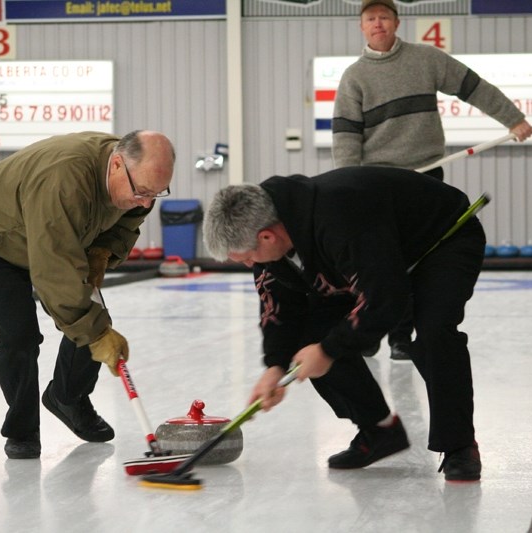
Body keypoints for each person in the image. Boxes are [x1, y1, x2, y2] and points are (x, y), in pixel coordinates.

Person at [203, 166, 486, 481]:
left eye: (245, 258)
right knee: (308, 338)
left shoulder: (340, 215)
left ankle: (460, 445)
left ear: (267, 236)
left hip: (442, 239)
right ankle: (378, 430)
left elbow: (385, 300)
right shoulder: (268, 236)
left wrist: (327, 350)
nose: (249, 265)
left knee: (434, 330)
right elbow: (280, 310)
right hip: (378, 256)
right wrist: (276, 366)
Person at [0, 130, 175, 459]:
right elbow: (53, 271)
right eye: (142, 192)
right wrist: (91, 330)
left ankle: (67, 397)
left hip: (45, 236)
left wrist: (102, 251)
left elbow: (127, 221)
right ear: (118, 165)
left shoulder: (136, 183)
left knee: (96, 322)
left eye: (157, 193)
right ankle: (22, 430)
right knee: (20, 334)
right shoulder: (65, 179)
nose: (147, 202)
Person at [333, 0, 532, 361]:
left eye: (383, 17)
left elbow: (475, 88)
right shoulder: (354, 76)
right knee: (378, 261)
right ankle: (371, 332)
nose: (377, 23)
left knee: (419, 257)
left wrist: (514, 119)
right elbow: (346, 135)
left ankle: (401, 338)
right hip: (379, 182)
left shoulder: (426, 59)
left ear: (396, 22)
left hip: (428, 176)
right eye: (370, 19)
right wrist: (347, 186)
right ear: (361, 26)